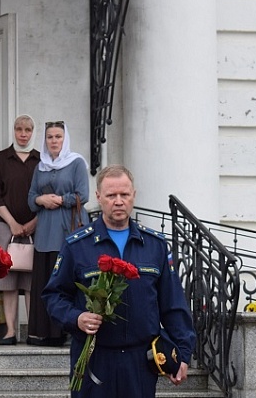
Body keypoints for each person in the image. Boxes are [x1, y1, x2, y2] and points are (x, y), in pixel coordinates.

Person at [43, 164, 195, 397]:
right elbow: (54, 296)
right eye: (111, 195)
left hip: (140, 362)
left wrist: (183, 354)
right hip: (94, 358)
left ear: (133, 195)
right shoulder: (77, 246)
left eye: (124, 194)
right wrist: (77, 318)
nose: (118, 201)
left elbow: (173, 304)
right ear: (98, 197)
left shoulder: (154, 246)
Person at [26, 120, 89, 346]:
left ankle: (67, 330)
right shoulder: (40, 166)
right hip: (44, 232)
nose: (54, 141)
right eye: (50, 137)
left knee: (66, 280)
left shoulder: (76, 163)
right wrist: (40, 199)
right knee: (46, 282)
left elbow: (84, 195)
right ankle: (45, 332)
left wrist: (62, 199)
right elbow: (31, 198)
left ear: (65, 139)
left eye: (58, 137)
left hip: (67, 230)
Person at [0, 115, 41, 345]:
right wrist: (13, 224)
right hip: (5, 225)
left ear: (32, 132)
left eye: (27, 129)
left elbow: (45, 195)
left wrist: (32, 224)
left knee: (31, 280)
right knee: (7, 281)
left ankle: (31, 330)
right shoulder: (1, 159)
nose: (23, 133)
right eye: (19, 129)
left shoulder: (42, 160)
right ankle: (10, 331)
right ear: (13, 130)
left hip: (35, 227)